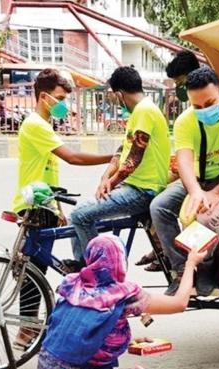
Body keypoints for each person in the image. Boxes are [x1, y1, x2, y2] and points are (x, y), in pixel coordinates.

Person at [35, 234, 207, 369]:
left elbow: (76, 340)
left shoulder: (72, 286)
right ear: (119, 262)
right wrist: (190, 264)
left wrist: (131, 342)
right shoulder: (120, 295)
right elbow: (179, 303)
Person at [12, 68, 117, 347]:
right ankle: (26, 328)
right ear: (43, 97)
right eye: (59, 98)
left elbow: (48, 174)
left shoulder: (43, 125)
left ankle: (31, 326)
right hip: (33, 204)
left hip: (44, 202)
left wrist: (57, 209)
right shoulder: (35, 124)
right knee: (34, 268)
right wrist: (113, 156)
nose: (63, 105)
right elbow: (72, 158)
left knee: (37, 266)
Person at [150, 67, 219, 296]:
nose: (204, 110)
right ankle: (183, 270)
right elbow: (183, 161)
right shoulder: (185, 121)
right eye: (197, 106)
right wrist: (195, 191)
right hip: (201, 180)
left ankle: (206, 268)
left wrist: (217, 193)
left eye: (210, 103)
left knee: (207, 219)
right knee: (159, 207)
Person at [67, 66, 171, 269]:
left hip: (142, 190)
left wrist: (112, 182)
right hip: (134, 187)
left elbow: (134, 158)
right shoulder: (141, 111)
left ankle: (96, 271)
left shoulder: (144, 111)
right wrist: (106, 178)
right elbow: (123, 149)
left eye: (113, 97)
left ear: (118, 94)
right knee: (85, 212)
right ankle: (87, 265)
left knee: (80, 215)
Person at [137, 50, 202, 273]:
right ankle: (163, 249)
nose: (179, 89)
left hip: (205, 176)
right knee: (153, 192)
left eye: (181, 83)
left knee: (164, 203)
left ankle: (182, 265)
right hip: (191, 171)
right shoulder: (189, 111)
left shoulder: (208, 105)